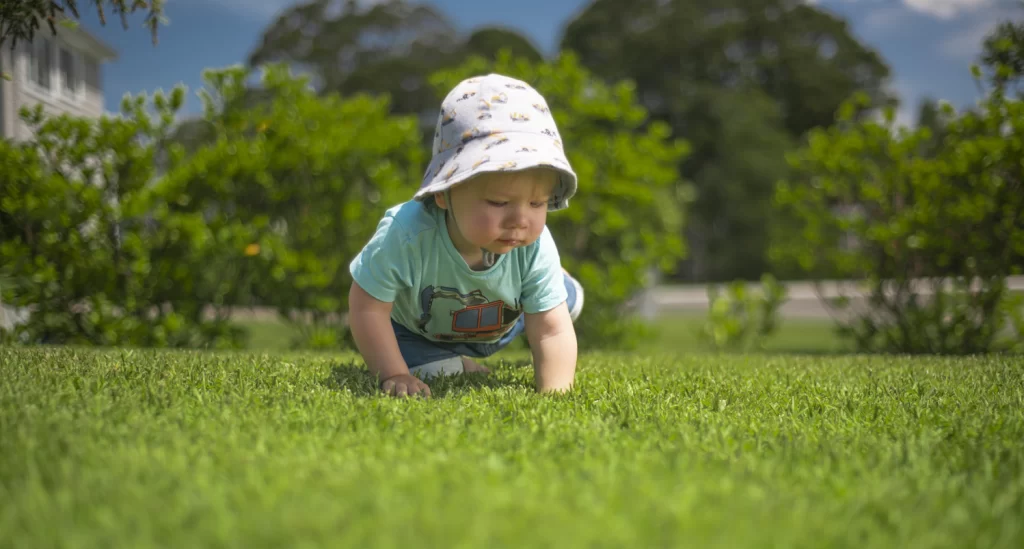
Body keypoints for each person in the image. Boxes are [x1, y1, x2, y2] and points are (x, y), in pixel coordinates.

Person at [348, 73, 584, 398]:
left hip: (505, 318)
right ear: (445, 193)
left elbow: (550, 331)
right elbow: (367, 308)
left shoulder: (534, 245)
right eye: (499, 202)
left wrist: (555, 394)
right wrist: (395, 373)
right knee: (431, 373)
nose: (520, 219)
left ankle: (555, 284)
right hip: (419, 331)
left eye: (537, 203)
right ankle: (453, 360)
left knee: (554, 305)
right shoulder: (406, 234)